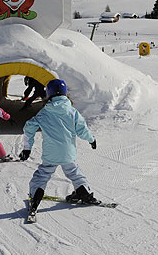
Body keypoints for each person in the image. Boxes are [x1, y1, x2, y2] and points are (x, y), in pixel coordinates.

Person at [20, 78, 99, 220]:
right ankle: (84, 192)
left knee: (42, 175)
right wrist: (91, 139)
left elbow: (29, 127)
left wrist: (27, 148)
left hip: (51, 154)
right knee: (74, 172)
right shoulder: (72, 112)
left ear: (48, 93)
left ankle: (35, 197)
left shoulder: (44, 113)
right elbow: (82, 129)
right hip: (68, 152)